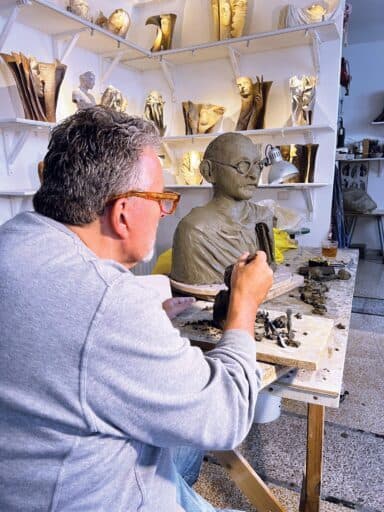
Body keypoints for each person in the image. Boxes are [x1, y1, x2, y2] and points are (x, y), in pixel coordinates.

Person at [0, 106, 273, 511]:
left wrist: (140, 322)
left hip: (32, 472)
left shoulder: (13, 238)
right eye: (162, 199)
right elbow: (225, 417)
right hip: (94, 496)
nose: (167, 210)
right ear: (123, 213)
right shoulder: (109, 301)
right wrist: (244, 306)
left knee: (180, 447)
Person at [171, 132, 275, 285]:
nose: (254, 175)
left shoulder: (263, 217)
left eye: (258, 165)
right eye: (242, 165)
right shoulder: (194, 230)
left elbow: (270, 268)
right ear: (209, 171)